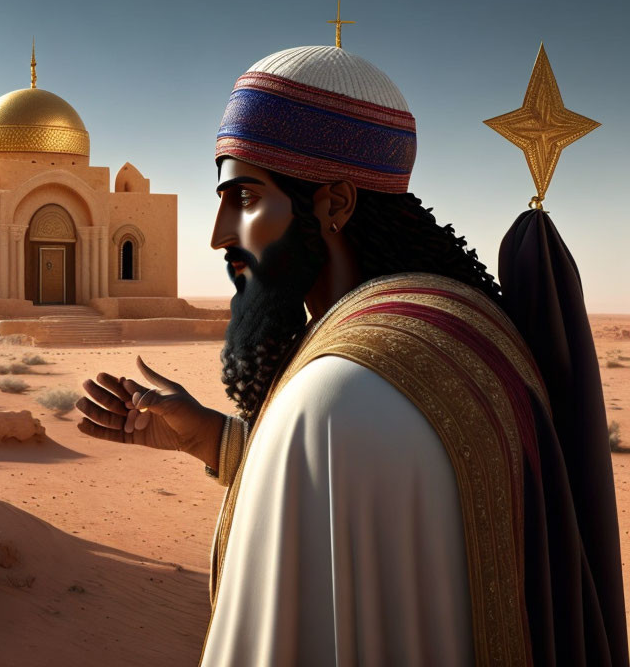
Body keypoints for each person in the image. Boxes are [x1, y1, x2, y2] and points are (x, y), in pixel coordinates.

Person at [76, 44, 627, 666]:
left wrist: (290, 435)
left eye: (246, 199)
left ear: (335, 203)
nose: (218, 236)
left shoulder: (337, 392)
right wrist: (215, 441)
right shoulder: (452, 319)